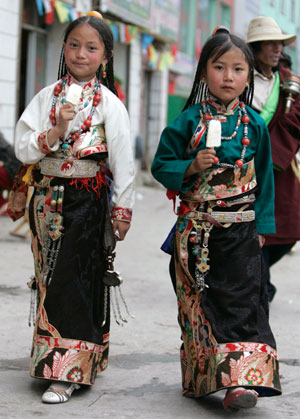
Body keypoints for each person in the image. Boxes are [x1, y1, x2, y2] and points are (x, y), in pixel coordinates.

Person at [151, 29, 281, 412]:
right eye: (219, 67)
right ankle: (201, 378)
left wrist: (263, 228)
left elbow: (266, 180)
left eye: (238, 69)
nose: (228, 76)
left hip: (241, 231)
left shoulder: (254, 125)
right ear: (204, 72)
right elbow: (161, 165)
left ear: (248, 74)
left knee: (243, 304)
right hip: (198, 234)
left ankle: (241, 383)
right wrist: (191, 165)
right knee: (201, 305)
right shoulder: (187, 121)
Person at [13, 11, 135, 404]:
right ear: (64, 48)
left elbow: (123, 161)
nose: (81, 53)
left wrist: (122, 209)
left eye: (92, 47)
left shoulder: (111, 104)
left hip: (87, 202)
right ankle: (53, 358)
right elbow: (22, 146)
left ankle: (69, 371)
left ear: (106, 55)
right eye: (74, 44)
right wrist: (55, 131)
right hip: (46, 200)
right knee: (48, 278)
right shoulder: (45, 97)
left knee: (77, 279)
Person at [246, 16, 300, 302]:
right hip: (242, 171)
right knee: (250, 232)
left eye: (279, 42)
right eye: (270, 42)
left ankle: (261, 283)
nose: (277, 48)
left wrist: (273, 156)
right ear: (254, 48)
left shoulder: (290, 84)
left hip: (279, 171)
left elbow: (296, 123)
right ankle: (261, 287)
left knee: (286, 232)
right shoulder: (240, 79)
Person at [0, 131, 21, 215]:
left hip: (14, 172)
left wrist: (3, 163)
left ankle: (3, 203)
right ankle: (3, 203)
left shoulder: (4, 147)